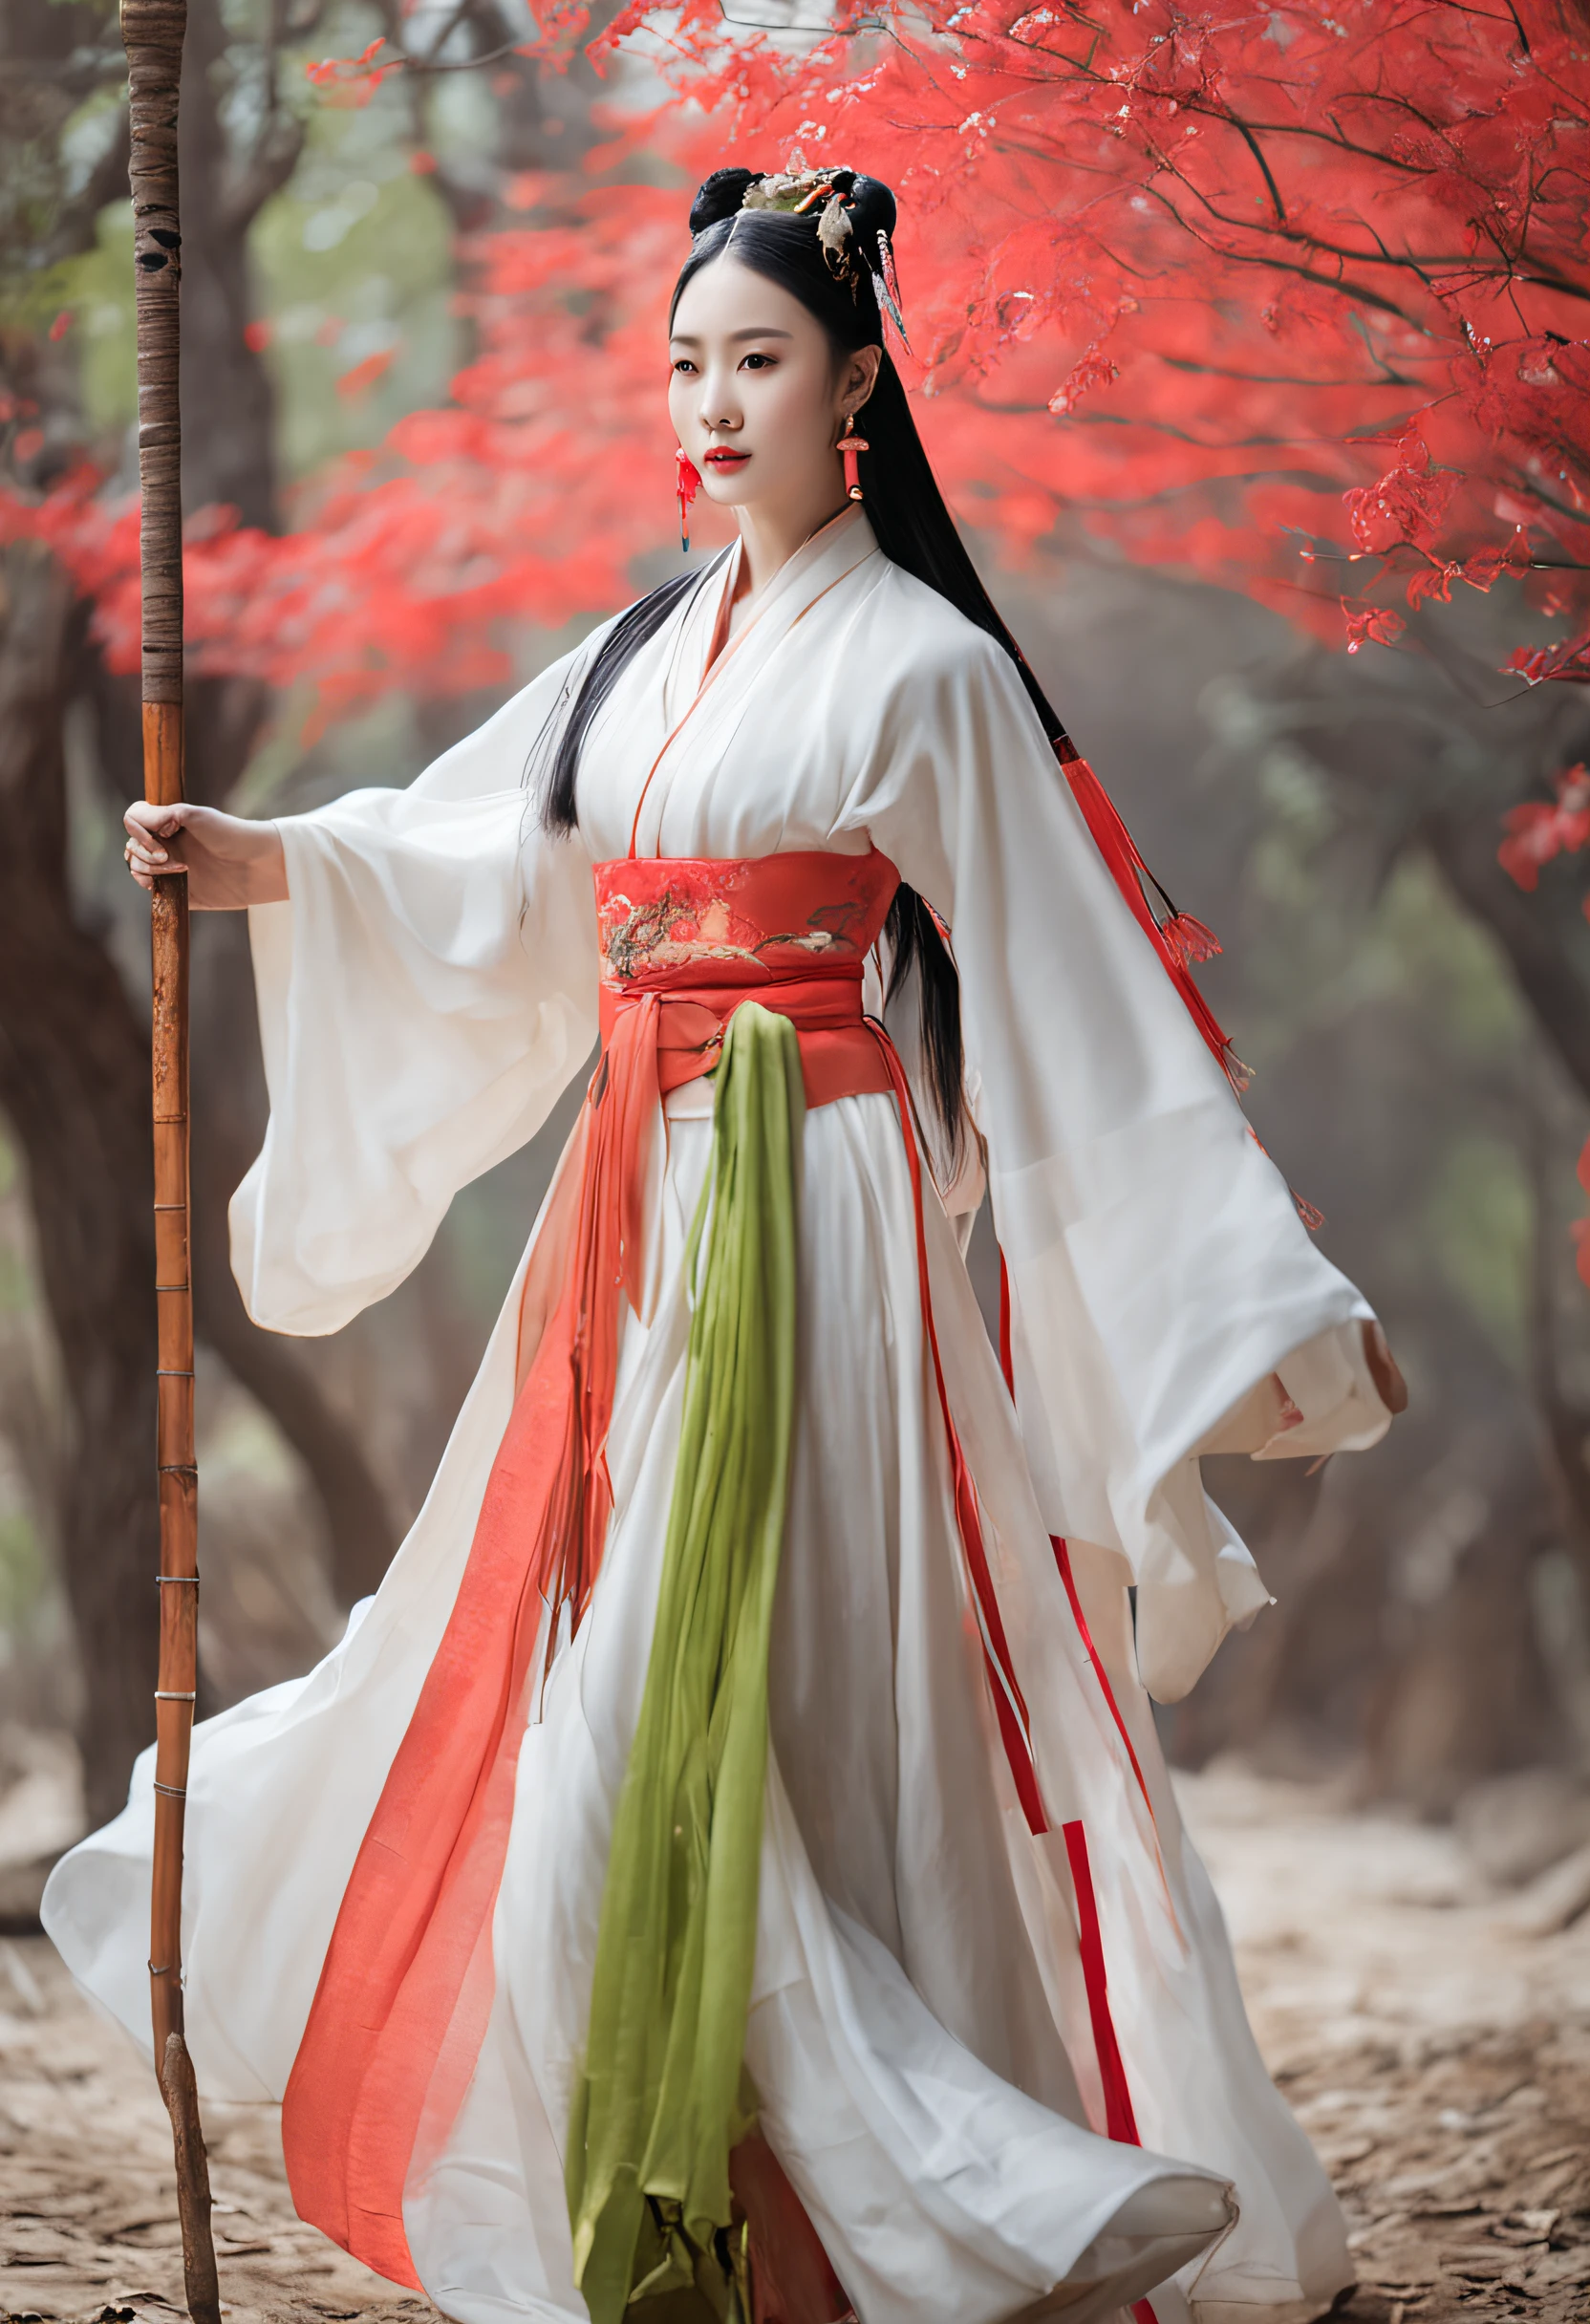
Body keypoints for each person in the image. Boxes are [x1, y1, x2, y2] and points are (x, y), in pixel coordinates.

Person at [49, 164, 1406, 2324]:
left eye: (754, 360)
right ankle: (833, 2200)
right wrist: (270, 864)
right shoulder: (643, 655)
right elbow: (493, 864)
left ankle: (965, 2195)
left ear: (855, 378)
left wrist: (1245, 1298)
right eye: (683, 363)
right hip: (645, 1207)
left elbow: (1070, 993)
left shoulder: (927, 665)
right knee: (606, 1726)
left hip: (831, 1220)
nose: (709, 402)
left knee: (792, 1706)